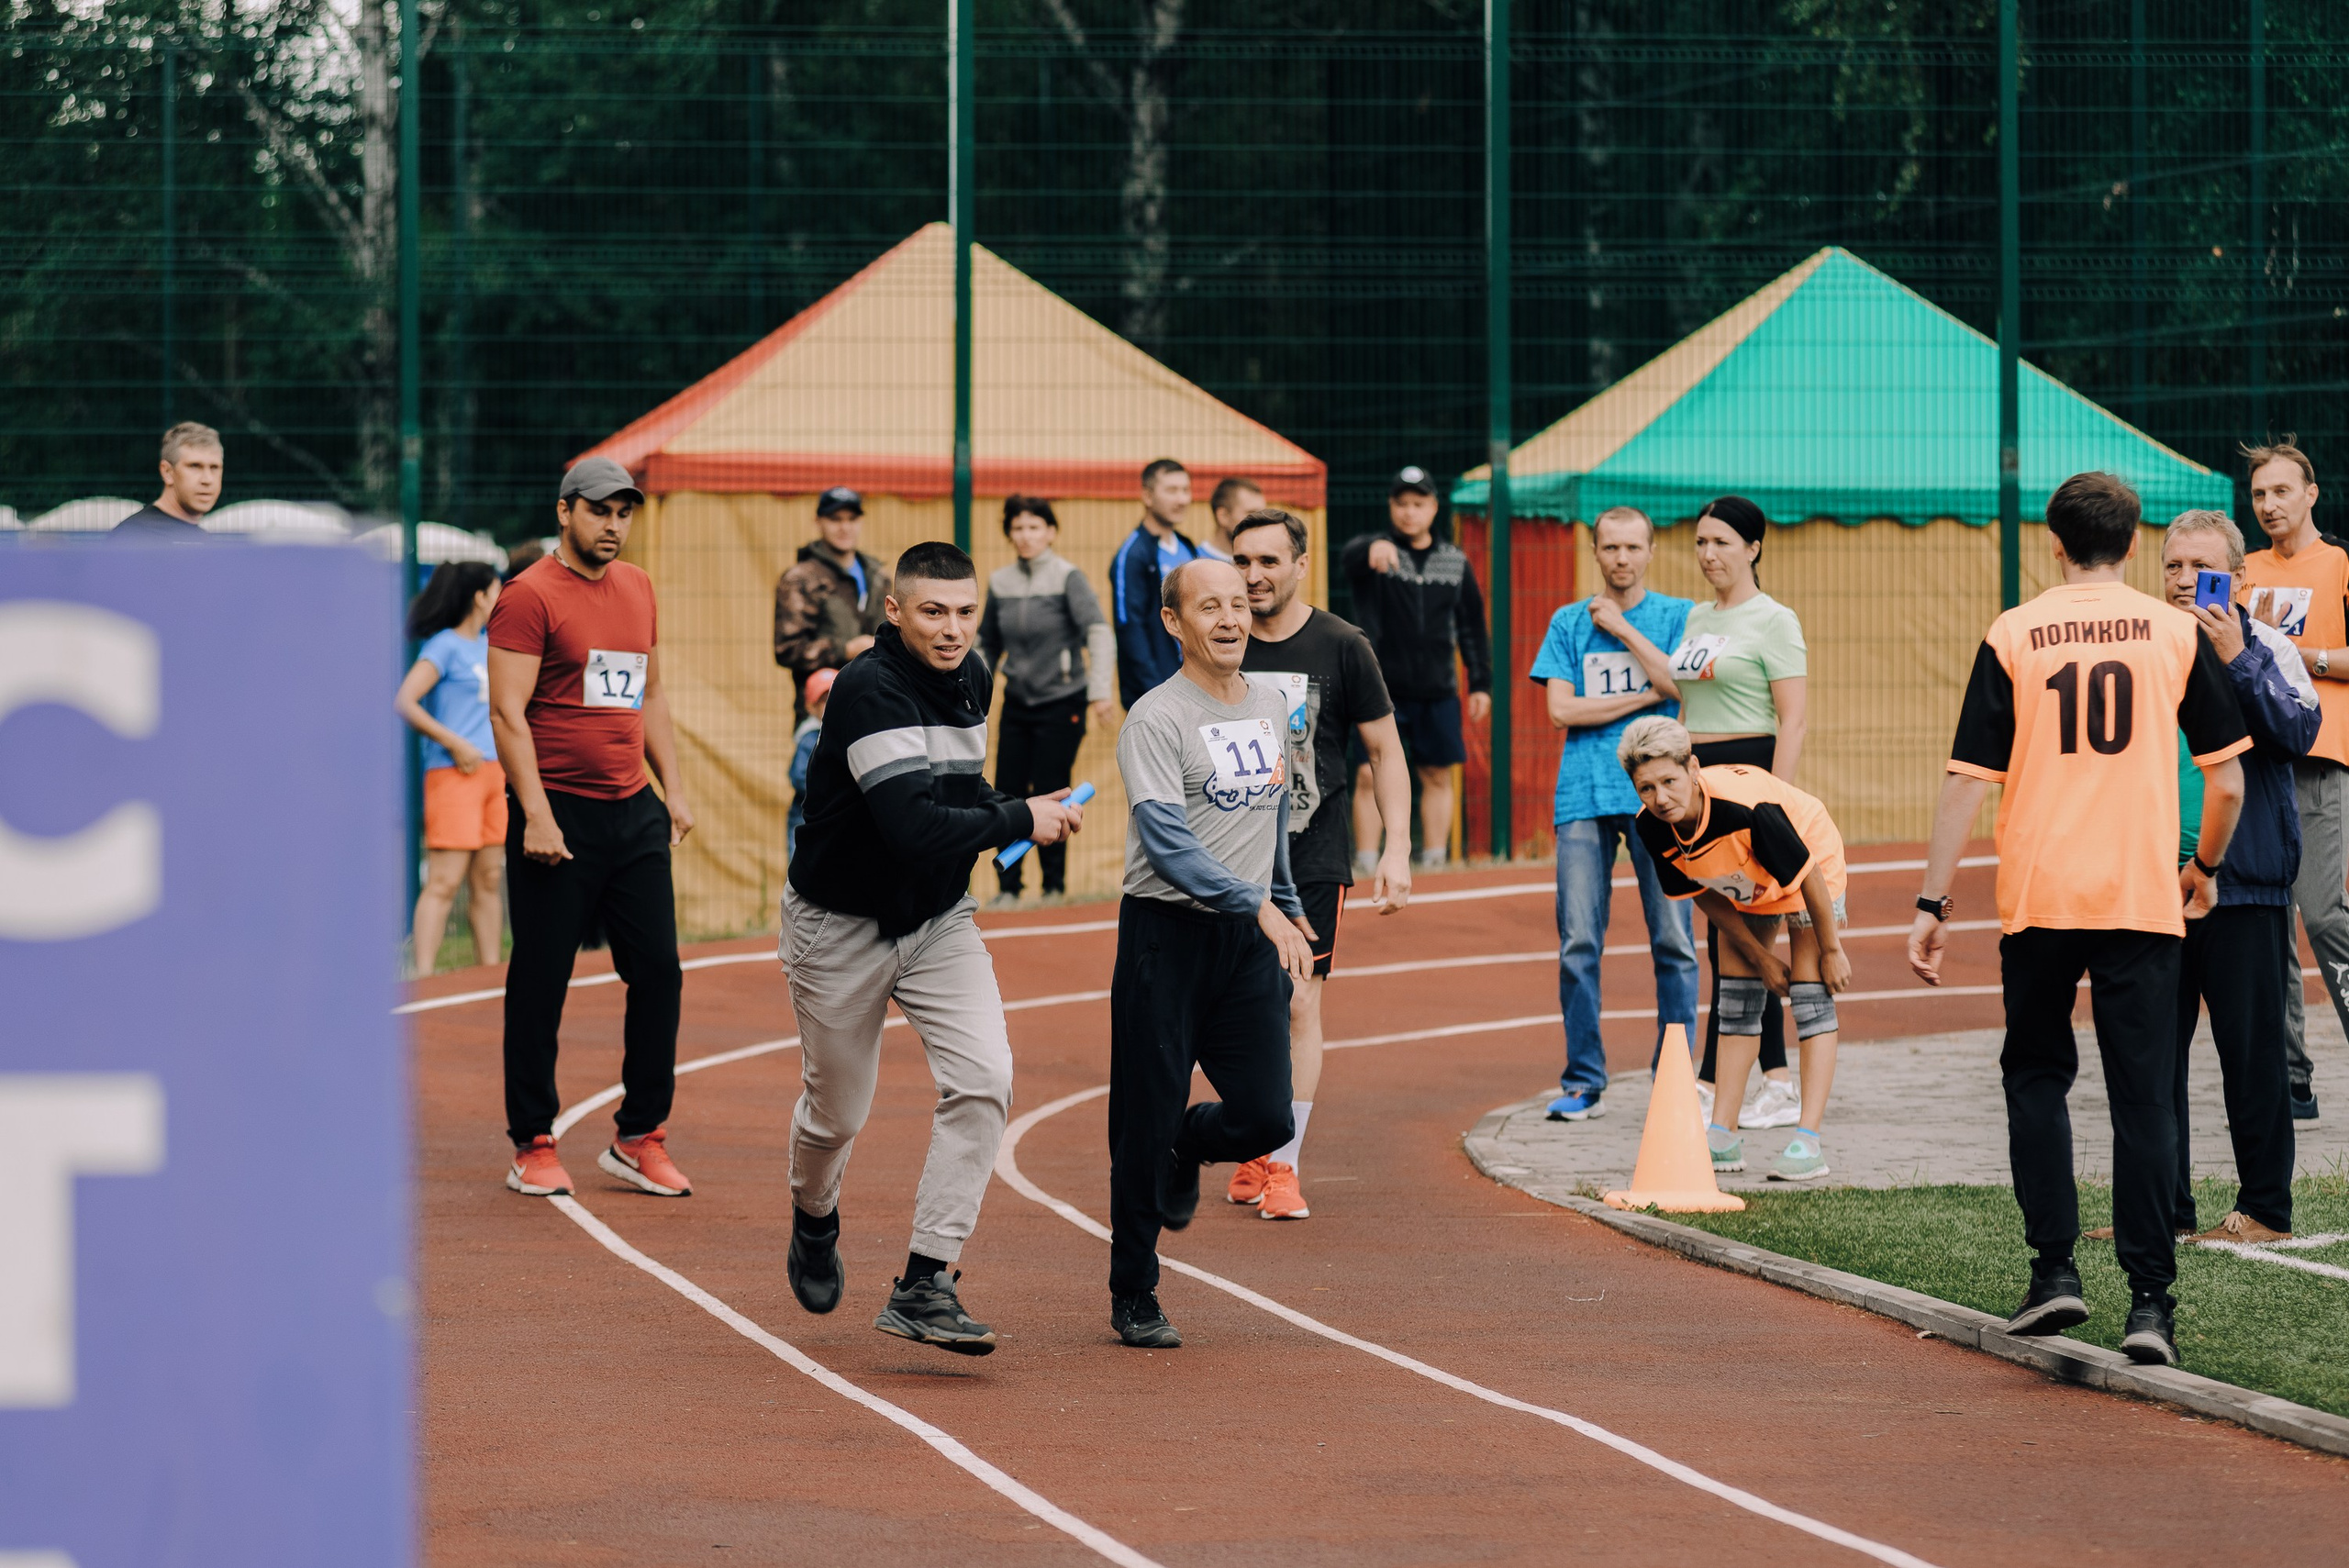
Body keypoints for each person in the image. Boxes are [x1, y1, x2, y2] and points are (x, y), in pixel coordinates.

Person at [1910, 471, 2249, 1370]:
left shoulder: (2014, 631)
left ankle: (2054, 1270)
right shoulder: (2176, 630)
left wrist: (1931, 901)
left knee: (2035, 1074)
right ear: (2134, 544)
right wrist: (2204, 868)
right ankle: (2149, 1303)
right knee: (2143, 1094)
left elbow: (1963, 781)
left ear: (2051, 543)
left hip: (2040, 892)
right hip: (2141, 894)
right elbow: (2226, 778)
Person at [780, 540, 1084, 1356]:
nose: (953, 630)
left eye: (964, 612)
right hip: (838, 926)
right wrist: (1023, 820)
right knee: (837, 1115)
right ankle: (814, 1216)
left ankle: (925, 1279)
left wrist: (1016, 802)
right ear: (894, 611)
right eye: (933, 612)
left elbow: (957, 790)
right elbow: (912, 826)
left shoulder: (974, 675)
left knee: (986, 1078)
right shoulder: (868, 690)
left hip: (938, 919)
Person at [1108, 557, 1314, 1348]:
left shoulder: (1269, 702)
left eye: (1239, 604)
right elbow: (1166, 844)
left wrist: (1284, 904)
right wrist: (1259, 905)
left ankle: (1189, 1141)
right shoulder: (1155, 718)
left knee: (1266, 1112)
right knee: (1139, 1120)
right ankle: (1136, 1291)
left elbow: (1271, 818)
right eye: (1209, 607)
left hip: (1247, 938)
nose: (1229, 619)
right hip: (1167, 936)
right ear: (1173, 622)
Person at [488, 456, 697, 1202]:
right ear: (565, 511)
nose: (614, 525)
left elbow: (652, 692)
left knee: (660, 973)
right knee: (543, 981)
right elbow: (508, 713)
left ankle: (639, 1135)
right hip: (558, 812)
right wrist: (536, 813)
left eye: (624, 512)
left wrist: (673, 788)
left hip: (632, 809)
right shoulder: (528, 596)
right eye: (600, 511)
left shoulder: (637, 586)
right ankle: (533, 1141)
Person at [1231, 507, 1413, 1219]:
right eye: (1242, 560)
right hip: (1226, 859)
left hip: (1309, 854)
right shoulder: (1222, 638)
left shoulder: (1342, 646)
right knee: (1241, 1009)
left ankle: (1284, 1163)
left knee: (1300, 1001)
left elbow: (1386, 751)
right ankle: (1252, 1136)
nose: (1253, 576)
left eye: (1269, 561)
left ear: (1301, 564)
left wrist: (1395, 847)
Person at [2150, 511, 2312, 1243]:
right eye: (2173, 566)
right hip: (2151, 882)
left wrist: (2238, 655)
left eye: (2202, 568)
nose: (2185, 581)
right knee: (2150, 1053)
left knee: (2252, 1055)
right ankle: (2164, 1211)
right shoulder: (2145, 641)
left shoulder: (2270, 642)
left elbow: (2297, 734)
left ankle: (2265, 1211)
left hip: (2243, 883)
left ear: (2239, 577)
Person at [1619, 717, 1851, 1181]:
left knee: (1809, 998)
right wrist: (1761, 957)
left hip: (1809, 864)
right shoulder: (1651, 827)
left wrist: (1831, 949)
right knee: (1736, 1000)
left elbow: (1808, 877)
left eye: (1670, 781)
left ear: (1693, 768)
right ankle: (1722, 1136)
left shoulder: (1748, 808)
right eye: (1646, 788)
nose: (1661, 798)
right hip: (1743, 878)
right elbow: (1700, 893)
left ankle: (1808, 1142)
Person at [1528, 506, 1700, 1120]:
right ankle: (1583, 1079)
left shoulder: (1680, 616)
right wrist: (1644, 694)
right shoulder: (1568, 622)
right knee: (1578, 940)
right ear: (1595, 552)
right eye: (1610, 547)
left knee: (1675, 939)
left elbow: (1684, 689)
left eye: (1632, 547)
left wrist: (1626, 632)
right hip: (1581, 796)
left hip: (1660, 801)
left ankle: (1676, 1076)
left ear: (1651, 550)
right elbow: (1561, 712)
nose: (1621, 558)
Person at [1668, 495, 1809, 1132]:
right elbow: (1686, 706)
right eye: (1701, 542)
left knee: (1745, 934)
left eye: (1721, 542)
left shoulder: (1775, 619)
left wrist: (1774, 800)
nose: (1708, 554)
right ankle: (1766, 1077)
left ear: (1753, 547)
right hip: (1699, 784)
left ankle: (1735, 1078)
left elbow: (1794, 718)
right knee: (1723, 930)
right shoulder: (1697, 615)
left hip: (1749, 783)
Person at [2239, 439, 2340, 1124]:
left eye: (2280, 490)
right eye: (2257, 495)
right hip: (2254, 769)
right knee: (2268, 929)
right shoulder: (2237, 569)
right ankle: (2290, 1078)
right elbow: (2204, 635)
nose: (2268, 504)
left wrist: (2302, 654)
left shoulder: (2339, 562)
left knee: (2327, 915)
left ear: (2311, 493)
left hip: (2321, 760)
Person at [1342, 465, 1492, 870]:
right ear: (1391, 506)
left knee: (1437, 775)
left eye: (1418, 503)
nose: (1410, 512)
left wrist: (1480, 682)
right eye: (1402, 503)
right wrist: (1372, 544)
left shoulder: (1454, 561)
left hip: (1437, 689)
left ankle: (1434, 863)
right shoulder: (1375, 554)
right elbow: (1348, 558)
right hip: (1378, 688)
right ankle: (1368, 860)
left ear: (1433, 507)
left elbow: (1473, 626)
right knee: (1368, 776)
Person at [978, 495, 1116, 903]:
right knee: (1009, 791)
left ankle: (1054, 887)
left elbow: (1098, 631)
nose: (1026, 535)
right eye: (1018, 527)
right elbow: (987, 643)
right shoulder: (1001, 582)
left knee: (1053, 791)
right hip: (1018, 701)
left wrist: (1099, 692)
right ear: (1009, 534)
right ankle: (1009, 890)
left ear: (1051, 532)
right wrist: (976, 691)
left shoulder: (1067, 577)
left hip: (1062, 701)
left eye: (1035, 527)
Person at [396, 562, 506, 974]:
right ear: (479, 596)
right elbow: (405, 701)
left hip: (496, 774)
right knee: (444, 881)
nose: (501, 598)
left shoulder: (493, 644)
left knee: (490, 880)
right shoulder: (444, 645)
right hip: (454, 775)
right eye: (497, 590)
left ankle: (490, 976)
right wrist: (454, 743)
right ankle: (422, 976)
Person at [775, 485, 891, 718]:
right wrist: (844, 649)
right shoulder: (800, 579)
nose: (844, 527)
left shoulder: (879, 576)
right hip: (822, 709)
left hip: (876, 704)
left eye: (852, 518)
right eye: (835, 519)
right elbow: (787, 650)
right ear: (818, 522)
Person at [1108, 459, 1203, 709]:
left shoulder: (1187, 546)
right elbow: (1129, 626)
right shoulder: (1133, 554)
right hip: (1156, 692)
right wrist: (1157, 691)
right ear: (1147, 497)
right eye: (1171, 490)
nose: (1182, 499)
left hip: (1197, 685)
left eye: (1186, 490)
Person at [114, 421, 223, 536]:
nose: (207, 480)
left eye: (214, 467)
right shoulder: (133, 535)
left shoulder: (205, 540)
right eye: (194, 466)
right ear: (167, 472)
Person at [786, 666, 837, 859]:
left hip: (831, 813)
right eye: (823, 700)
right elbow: (798, 776)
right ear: (810, 707)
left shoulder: (844, 732)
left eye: (834, 697)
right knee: (800, 858)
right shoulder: (809, 738)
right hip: (805, 814)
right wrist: (826, 789)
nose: (830, 704)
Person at [1204, 475, 1264, 562]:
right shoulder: (1192, 561)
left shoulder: (1261, 563)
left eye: (1262, 514)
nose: (1261, 521)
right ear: (1223, 516)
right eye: (1251, 514)